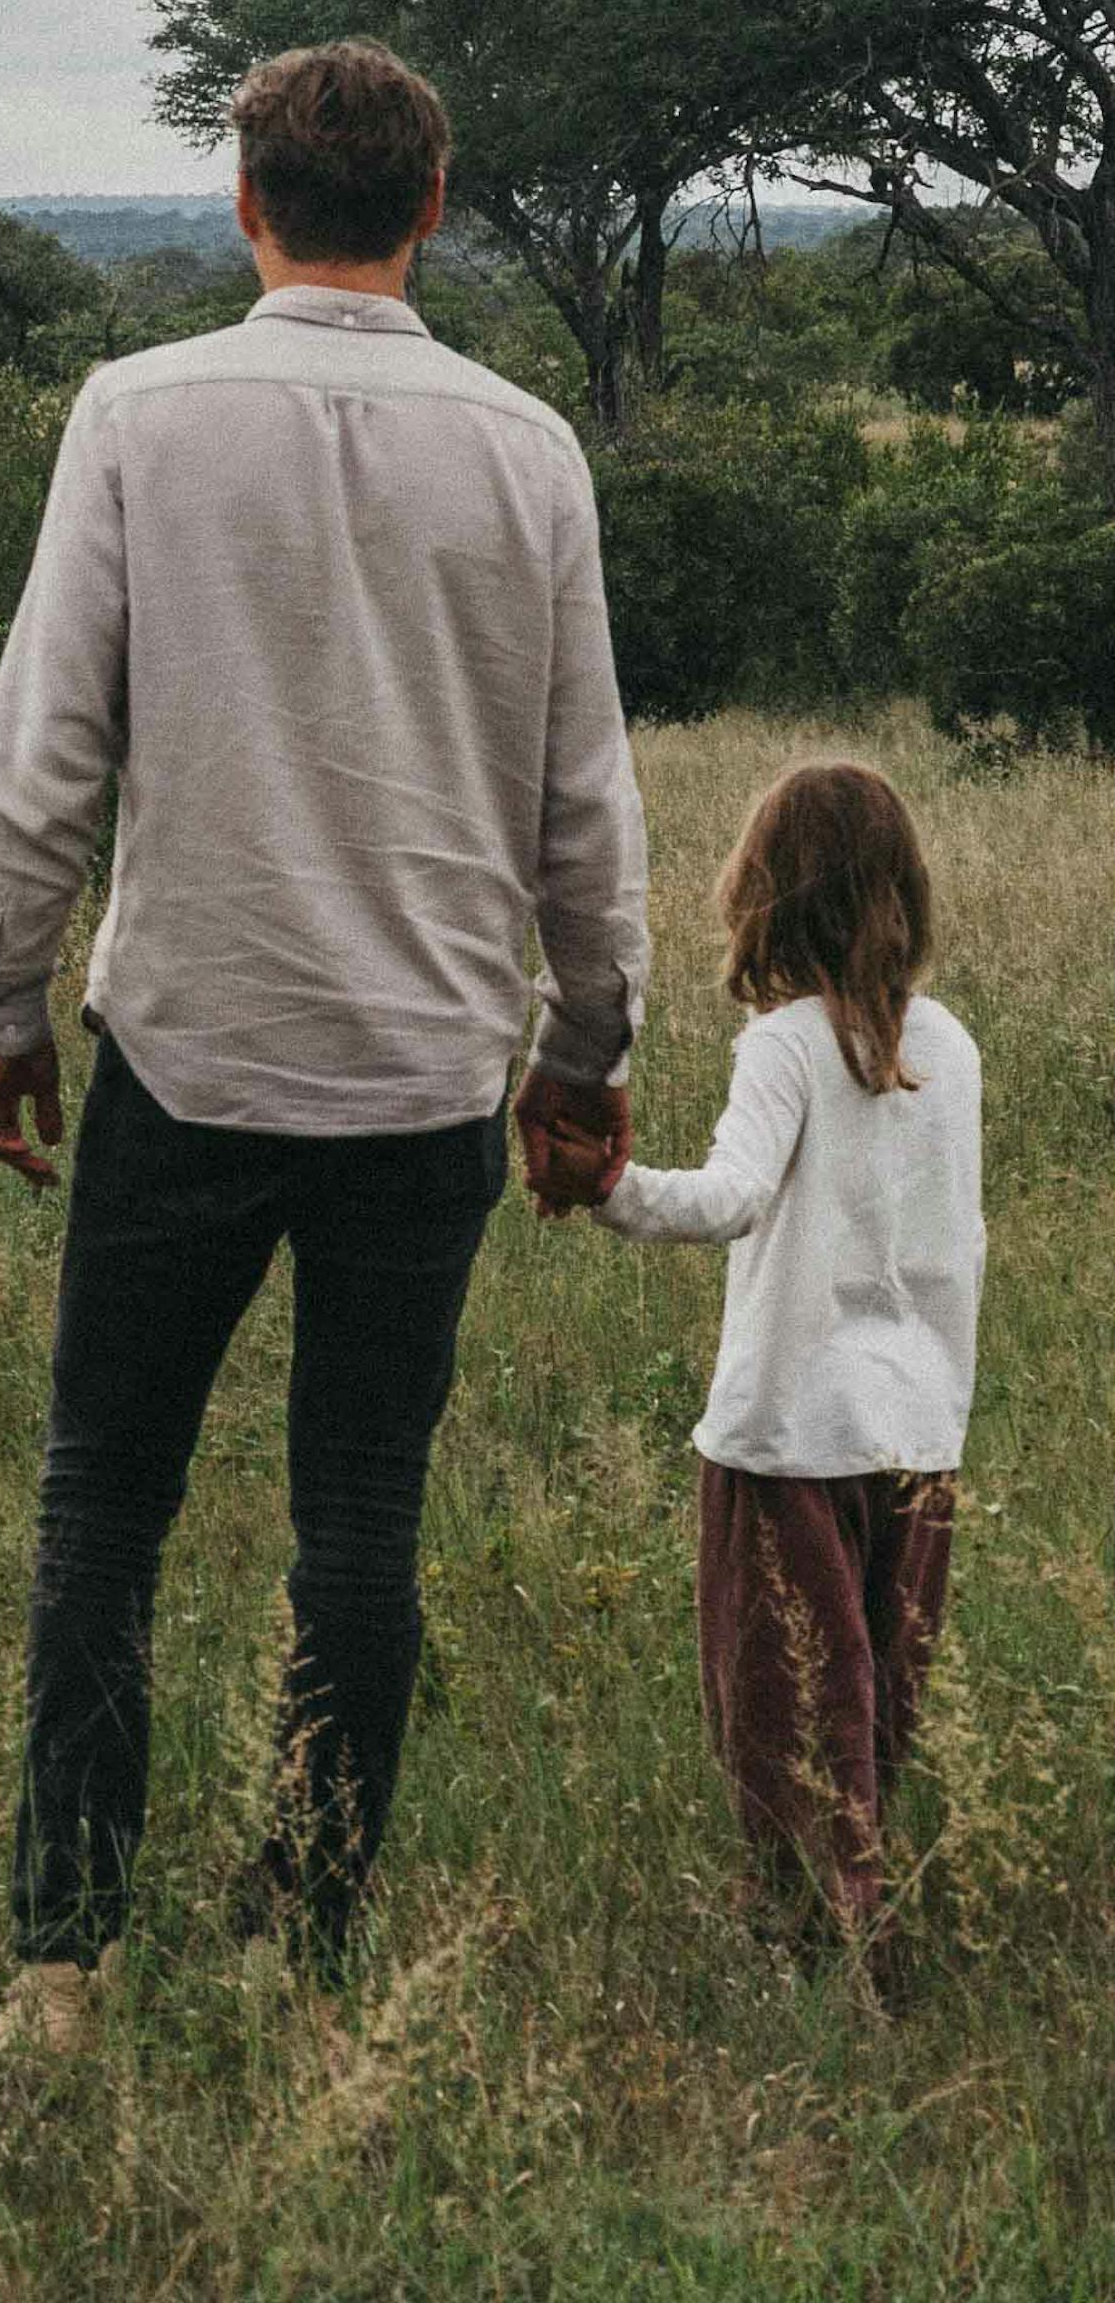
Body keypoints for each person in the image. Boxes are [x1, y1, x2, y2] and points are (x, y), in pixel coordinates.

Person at [0, 39, 649, 2054]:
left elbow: (44, 754)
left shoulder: (137, 417)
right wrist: (585, 1053)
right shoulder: (530, 450)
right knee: (359, 1514)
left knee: (106, 1505)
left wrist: (3, 1006)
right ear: (430, 208)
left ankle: (62, 1963)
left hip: (183, 1046)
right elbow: (583, 803)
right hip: (429, 1068)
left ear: (247, 200)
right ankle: (297, 1952)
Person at [548, 762, 984, 1948]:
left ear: (772, 893)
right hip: (921, 1426)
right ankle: (852, 1893)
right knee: (877, 1695)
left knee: (786, 1695)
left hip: (792, 1425)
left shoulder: (787, 1042)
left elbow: (732, 1196)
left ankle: (824, 1923)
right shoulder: (953, 1042)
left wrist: (606, 1188)